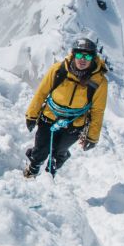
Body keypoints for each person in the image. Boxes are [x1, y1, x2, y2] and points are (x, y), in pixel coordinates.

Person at [23, 37, 108, 178]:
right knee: (41, 149)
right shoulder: (59, 70)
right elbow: (42, 93)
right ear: (74, 55)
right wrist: (31, 115)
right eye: (79, 55)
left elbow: (97, 110)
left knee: (58, 151)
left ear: (93, 58)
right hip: (49, 117)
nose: (83, 59)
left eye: (87, 56)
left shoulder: (99, 82)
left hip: (74, 124)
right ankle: (33, 169)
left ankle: (51, 171)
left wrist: (92, 137)